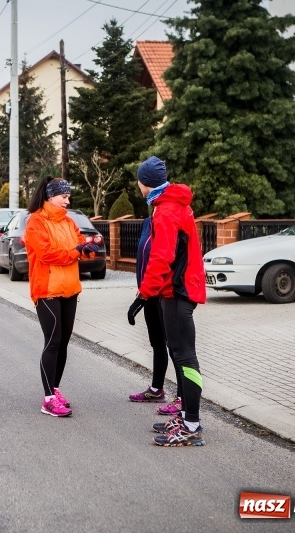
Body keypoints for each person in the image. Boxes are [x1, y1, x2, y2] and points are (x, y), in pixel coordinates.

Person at [132, 156, 206, 447]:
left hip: (177, 292)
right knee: (180, 355)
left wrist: (145, 292)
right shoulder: (174, 205)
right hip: (177, 290)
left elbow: (162, 257)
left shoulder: (166, 210)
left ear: (144, 183)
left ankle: (191, 424)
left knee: (185, 357)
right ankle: (187, 416)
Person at [24, 177, 98, 417]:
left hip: (70, 288)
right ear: (50, 196)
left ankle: (55, 389)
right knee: (52, 341)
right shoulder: (36, 221)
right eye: (64, 196)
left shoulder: (68, 222)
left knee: (64, 341)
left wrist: (87, 250)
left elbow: (78, 247)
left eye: (68, 196)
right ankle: (47, 399)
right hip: (47, 289)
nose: (68, 200)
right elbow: (47, 254)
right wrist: (76, 251)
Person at [127, 204, 184, 416]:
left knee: (174, 347)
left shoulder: (171, 223)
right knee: (157, 342)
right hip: (148, 292)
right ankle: (156, 389)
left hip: (166, 294)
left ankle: (181, 398)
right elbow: (143, 258)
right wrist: (141, 288)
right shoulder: (146, 224)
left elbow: (167, 260)